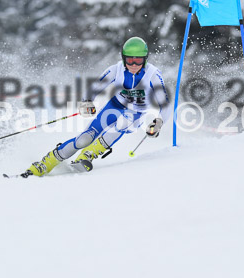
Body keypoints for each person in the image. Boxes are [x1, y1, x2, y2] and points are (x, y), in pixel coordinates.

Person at [25, 36, 171, 177]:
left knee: (122, 123)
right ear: (123, 58)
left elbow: (165, 105)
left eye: (138, 60)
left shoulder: (153, 75)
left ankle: (88, 155)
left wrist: (158, 122)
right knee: (85, 139)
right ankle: (45, 163)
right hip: (115, 106)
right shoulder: (116, 69)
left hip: (136, 113)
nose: (133, 65)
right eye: (129, 60)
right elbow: (94, 88)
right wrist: (87, 101)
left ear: (145, 59)